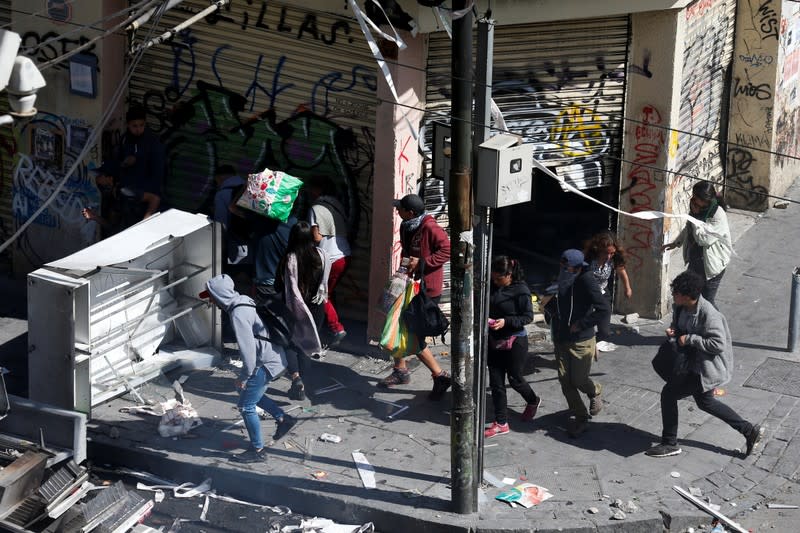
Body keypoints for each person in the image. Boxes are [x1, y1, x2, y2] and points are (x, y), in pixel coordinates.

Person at [645, 270, 764, 458]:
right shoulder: (680, 308)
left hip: (703, 369)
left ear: (686, 296)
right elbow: (679, 329)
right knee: (705, 402)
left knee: (669, 394)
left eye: (675, 293)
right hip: (689, 363)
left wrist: (690, 339)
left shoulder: (710, 315)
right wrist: (674, 332)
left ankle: (670, 443)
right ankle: (749, 431)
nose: (672, 295)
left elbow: (717, 344)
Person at [200, 274, 296, 464]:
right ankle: (283, 418)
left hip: (266, 363)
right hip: (275, 357)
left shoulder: (237, 314)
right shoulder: (244, 300)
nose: (211, 301)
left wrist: (245, 375)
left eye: (211, 297)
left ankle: (257, 450)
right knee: (244, 391)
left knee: (246, 406)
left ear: (220, 296)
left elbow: (248, 353)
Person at [378, 193, 452, 401]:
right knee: (397, 326)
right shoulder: (406, 225)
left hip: (425, 290)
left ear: (410, 212)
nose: (397, 211)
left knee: (413, 334)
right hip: (407, 284)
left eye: (400, 208)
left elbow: (447, 249)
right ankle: (400, 369)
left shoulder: (429, 227)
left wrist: (422, 263)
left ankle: (440, 375)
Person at [544, 249, 609, 438]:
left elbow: (603, 309)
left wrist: (582, 324)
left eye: (568, 267)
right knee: (565, 380)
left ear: (578, 267)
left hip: (581, 339)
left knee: (578, 379)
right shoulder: (563, 278)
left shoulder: (587, 280)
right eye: (563, 266)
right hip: (561, 337)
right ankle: (580, 417)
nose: (565, 270)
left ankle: (594, 390)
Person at [484, 256, 541, 439]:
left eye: (498, 278)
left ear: (509, 275)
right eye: (493, 278)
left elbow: (527, 317)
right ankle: (501, 422)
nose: (495, 281)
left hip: (515, 341)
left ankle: (533, 400)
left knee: (515, 379)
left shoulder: (521, 291)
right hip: (493, 340)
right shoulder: (493, 285)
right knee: (496, 383)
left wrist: (505, 322)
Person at [276, 221, 330, 401]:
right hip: (316, 307)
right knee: (307, 345)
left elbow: (278, 285)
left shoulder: (289, 258)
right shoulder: (321, 256)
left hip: (294, 309)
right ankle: (305, 382)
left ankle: (296, 379)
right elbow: (323, 283)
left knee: (291, 344)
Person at [662, 182, 732, 307]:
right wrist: (676, 243)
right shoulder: (697, 207)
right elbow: (688, 228)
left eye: (696, 198)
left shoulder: (717, 215)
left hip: (711, 267)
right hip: (695, 262)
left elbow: (703, 239)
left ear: (705, 200)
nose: (693, 200)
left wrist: (695, 216)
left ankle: (716, 325)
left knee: (707, 303)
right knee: (689, 297)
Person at [307, 176, 351, 346]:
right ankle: (329, 326)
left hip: (329, 258)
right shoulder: (337, 204)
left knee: (320, 294)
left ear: (317, 189)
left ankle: (336, 328)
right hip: (344, 254)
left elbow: (317, 237)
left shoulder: (316, 208)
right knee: (328, 293)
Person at [81, 162, 160, 238]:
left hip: (150, 231)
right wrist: (93, 216)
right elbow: (111, 226)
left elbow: (155, 199)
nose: (97, 177)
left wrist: (143, 224)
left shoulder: (125, 191)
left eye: (100, 175)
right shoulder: (114, 198)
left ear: (110, 178)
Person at [583, 232, 632, 353]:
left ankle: (594, 342)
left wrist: (627, 288)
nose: (609, 256)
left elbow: (621, 271)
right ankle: (585, 345)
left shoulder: (613, 260)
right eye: (606, 253)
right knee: (585, 324)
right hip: (587, 294)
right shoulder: (589, 259)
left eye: (612, 253)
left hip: (603, 293)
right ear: (598, 250)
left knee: (605, 331)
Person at [115, 106, 166, 213]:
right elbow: (117, 163)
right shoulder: (125, 140)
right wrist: (125, 163)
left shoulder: (153, 142)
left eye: (141, 125)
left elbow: (158, 171)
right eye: (134, 126)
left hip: (147, 195)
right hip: (129, 195)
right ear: (128, 125)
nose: (138, 129)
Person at [211, 165, 249, 269]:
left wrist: (220, 247)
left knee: (235, 279)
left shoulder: (222, 195)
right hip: (252, 244)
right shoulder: (248, 190)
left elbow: (221, 224)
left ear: (219, 178)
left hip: (235, 246)